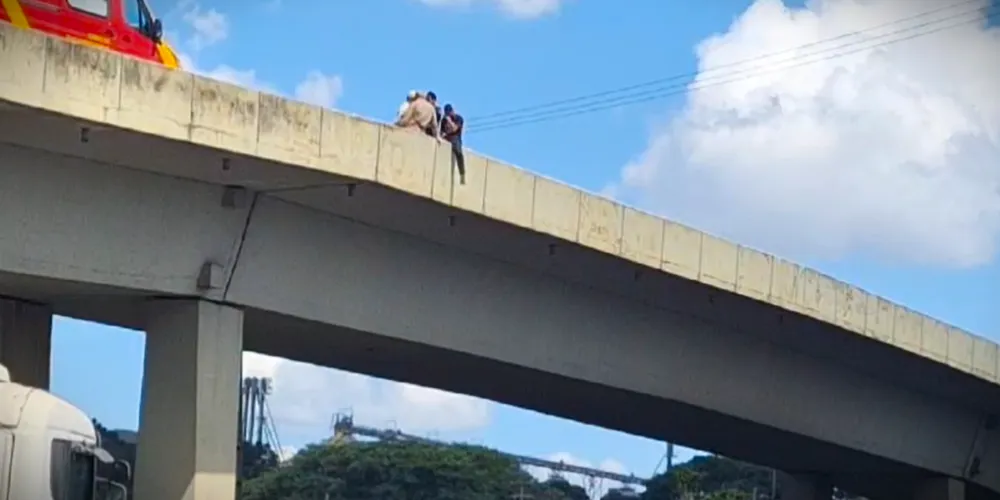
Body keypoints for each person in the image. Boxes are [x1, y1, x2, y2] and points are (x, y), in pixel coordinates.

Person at [441, 103, 466, 185]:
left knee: (459, 153)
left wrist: (449, 121)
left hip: (455, 138)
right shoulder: (443, 121)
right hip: (446, 138)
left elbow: (455, 129)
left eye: (449, 113)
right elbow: (442, 132)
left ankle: (462, 174)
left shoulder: (458, 118)